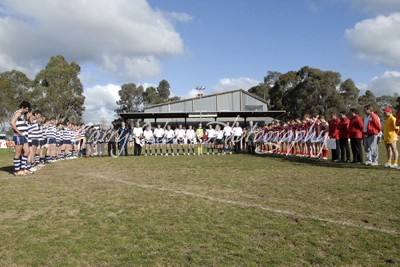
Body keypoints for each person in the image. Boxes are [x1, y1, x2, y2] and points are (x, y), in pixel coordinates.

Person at [10, 101, 31, 176]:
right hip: (18, 136)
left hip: (24, 136)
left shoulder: (22, 115)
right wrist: (18, 131)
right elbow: (12, 122)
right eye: (26, 109)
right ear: (23, 107)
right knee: (18, 153)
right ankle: (16, 170)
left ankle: (22, 169)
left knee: (27, 152)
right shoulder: (18, 113)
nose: (27, 111)